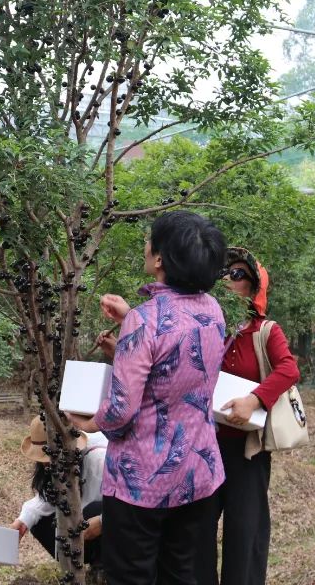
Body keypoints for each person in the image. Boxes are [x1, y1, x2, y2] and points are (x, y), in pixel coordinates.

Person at [67, 210, 229, 585]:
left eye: (149, 240)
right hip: (199, 474)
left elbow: (121, 411)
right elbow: (181, 371)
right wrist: (130, 329)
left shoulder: (145, 321)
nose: (146, 245)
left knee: (134, 576)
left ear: (160, 259)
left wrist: (88, 422)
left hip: (142, 484)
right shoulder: (213, 310)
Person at [194, 247, 300, 585]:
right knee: (198, 535)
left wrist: (254, 400)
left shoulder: (265, 330)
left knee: (244, 535)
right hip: (203, 447)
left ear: (254, 287)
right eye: (224, 272)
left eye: (237, 274)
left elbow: (289, 369)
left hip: (246, 452)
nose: (228, 278)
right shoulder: (205, 325)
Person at [10, 418, 108, 569]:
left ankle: (102, 564)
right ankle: (75, 560)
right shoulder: (53, 466)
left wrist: (102, 522)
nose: (45, 464)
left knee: (97, 508)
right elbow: (50, 495)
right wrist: (23, 521)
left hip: (117, 523)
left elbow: (126, 507)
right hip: (86, 523)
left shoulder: (100, 461)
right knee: (38, 520)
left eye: (49, 459)